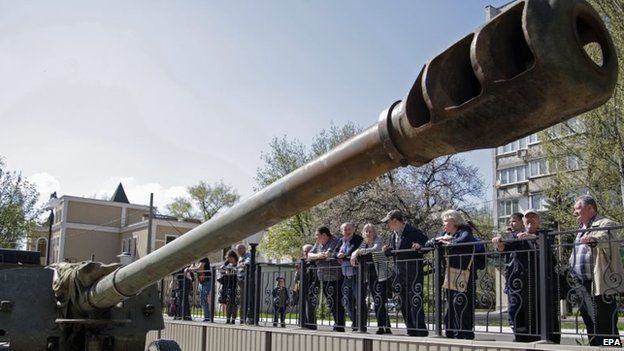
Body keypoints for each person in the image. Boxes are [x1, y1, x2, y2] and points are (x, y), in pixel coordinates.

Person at [569, 195, 624, 346]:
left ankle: (611, 347)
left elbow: (606, 238)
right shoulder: (581, 228)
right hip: (581, 283)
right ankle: (594, 348)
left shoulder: (605, 223)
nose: (574, 212)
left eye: (577, 208)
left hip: (600, 283)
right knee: (590, 323)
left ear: (589, 208)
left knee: (604, 323)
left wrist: (594, 240)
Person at [425, 209, 475, 339]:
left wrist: (449, 242)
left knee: (461, 303)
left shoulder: (465, 230)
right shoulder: (444, 233)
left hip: (463, 274)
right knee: (451, 304)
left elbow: (464, 240)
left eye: (446, 221)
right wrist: (439, 239)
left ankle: (464, 333)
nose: (444, 225)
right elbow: (428, 244)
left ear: (454, 221)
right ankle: (451, 331)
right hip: (449, 274)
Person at [382, 210, 429, 337]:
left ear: (395, 221)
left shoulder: (413, 231)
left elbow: (427, 244)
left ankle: (420, 330)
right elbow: (394, 253)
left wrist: (419, 247)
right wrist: (387, 251)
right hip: (399, 273)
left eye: (388, 222)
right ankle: (411, 329)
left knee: (415, 300)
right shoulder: (393, 235)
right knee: (403, 301)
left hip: (413, 272)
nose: (388, 225)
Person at [492, 212, 537, 341]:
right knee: (514, 308)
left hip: (528, 279)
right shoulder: (510, 236)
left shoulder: (529, 235)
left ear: (522, 221)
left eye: (514, 221)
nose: (511, 224)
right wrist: (499, 245)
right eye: (510, 222)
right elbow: (503, 249)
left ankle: (528, 336)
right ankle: (519, 335)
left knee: (527, 309)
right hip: (513, 278)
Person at [351, 223, 391, 334]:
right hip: (370, 275)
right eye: (366, 231)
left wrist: (358, 252)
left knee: (379, 300)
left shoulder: (378, 240)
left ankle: (382, 327)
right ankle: (386, 326)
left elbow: (375, 249)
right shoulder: (364, 242)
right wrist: (355, 252)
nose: (368, 233)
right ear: (363, 233)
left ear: (374, 232)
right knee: (377, 300)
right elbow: (358, 250)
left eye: (370, 231)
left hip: (381, 275)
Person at [308, 226, 346, 332]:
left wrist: (319, 257)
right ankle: (337, 324)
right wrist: (318, 256)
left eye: (318, 236)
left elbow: (328, 254)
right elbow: (309, 254)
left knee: (337, 302)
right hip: (323, 277)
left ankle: (339, 326)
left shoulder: (335, 240)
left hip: (335, 277)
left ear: (324, 235)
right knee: (330, 302)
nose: (317, 239)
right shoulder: (318, 243)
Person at [336, 222, 364, 331]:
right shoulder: (341, 240)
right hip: (346, 275)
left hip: (356, 274)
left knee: (359, 300)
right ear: (342, 231)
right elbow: (334, 251)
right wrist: (337, 255)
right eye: (344, 230)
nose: (347, 231)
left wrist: (344, 255)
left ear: (353, 229)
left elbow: (354, 248)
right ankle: (355, 323)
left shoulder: (357, 238)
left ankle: (361, 325)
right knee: (348, 302)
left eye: (349, 229)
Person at [295, 244, 318, 329]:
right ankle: (302, 324)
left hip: (311, 288)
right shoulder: (302, 262)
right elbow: (297, 277)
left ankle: (311, 326)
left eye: (307, 251)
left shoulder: (314, 262)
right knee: (302, 307)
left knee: (310, 308)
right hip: (302, 287)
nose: (305, 253)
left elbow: (315, 277)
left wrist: (313, 288)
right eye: (304, 251)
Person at [188, 256, 212, 322]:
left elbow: (199, 268)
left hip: (207, 281)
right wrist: (192, 267)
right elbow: (192, 267)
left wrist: (191, 269)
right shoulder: (197, 260)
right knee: (202, 299)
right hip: (201, 281)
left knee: (204, 298)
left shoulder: (204, 258)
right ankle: (207, 316)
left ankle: (208, 317)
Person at [219, 250, 240, 324]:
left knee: (234, 303)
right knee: (227, 302)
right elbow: (221, 270)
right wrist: (225, 267)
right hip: (227, 284)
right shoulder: (227, 264)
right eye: (227, 258)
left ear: (233, 257)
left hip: (235, 284)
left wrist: (231, 272)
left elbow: (239, 271)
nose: (228, 259)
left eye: (229, 258)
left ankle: (233, 319)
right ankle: (228, 319)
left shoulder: (238, 264)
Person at [236, 244, 252, 324]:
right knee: (241, 299)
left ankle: (248, 317)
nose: (238, 251)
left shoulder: (248, 254)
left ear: (244, 249)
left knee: (247, 299)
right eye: (237, 249)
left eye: (239, 249)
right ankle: (242, 318)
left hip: (246, 279)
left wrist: (241, 264)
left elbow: (248, 262)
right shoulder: (240, 257)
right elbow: (238, 266)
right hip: (240, 279)